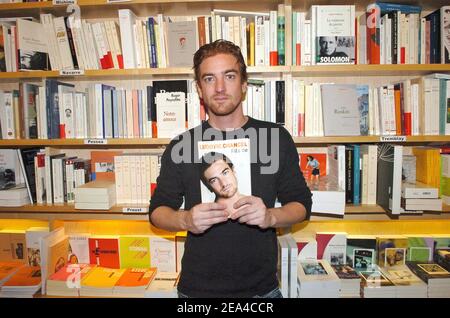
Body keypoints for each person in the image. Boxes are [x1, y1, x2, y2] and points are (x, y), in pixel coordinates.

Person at [149, 39, 312, 298]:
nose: (221, 88)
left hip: (262, 290)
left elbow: (302, 205)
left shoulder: (276, 138)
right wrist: (185, 220)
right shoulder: (182, 145)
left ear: (244, 84)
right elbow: (157, 211)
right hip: (197, 291)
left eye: (230, 76)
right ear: (200, 89)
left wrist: (270, 216)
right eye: (210, 79)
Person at [200, 152, 245, 217]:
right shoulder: (207, 217)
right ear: (208, 187)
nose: (224, 184)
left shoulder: (255, 205)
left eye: (225, 173)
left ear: (233, 170)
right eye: (214, 180)